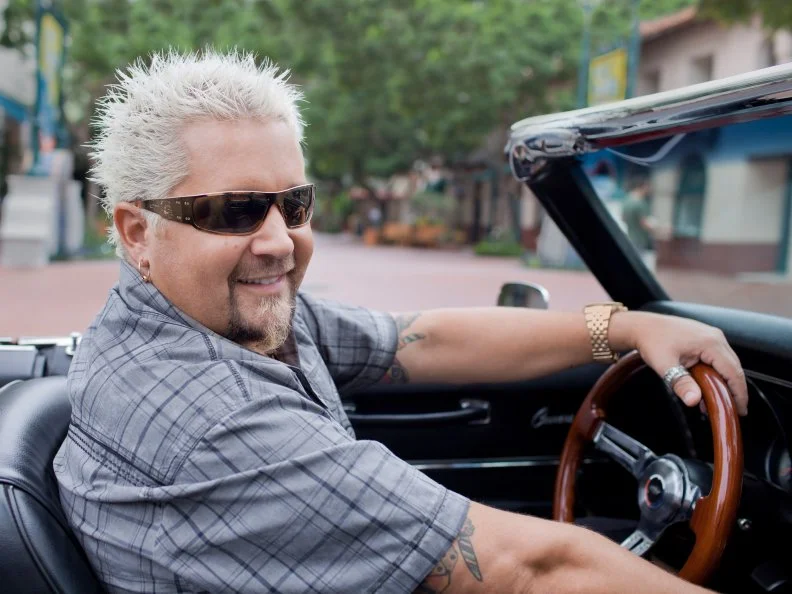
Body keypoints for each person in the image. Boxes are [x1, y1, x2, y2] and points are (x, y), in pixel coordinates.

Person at [54, 50, 748, 594]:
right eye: (235, 210)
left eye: (293, 205)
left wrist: (624, 329)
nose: (277, 240)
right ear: (137, 233)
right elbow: (528, 571)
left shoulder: (211, 318)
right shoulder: (211, 415)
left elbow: (419, 339)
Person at [622, 178, 658, 272]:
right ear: (642, 187)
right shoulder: (640, 203)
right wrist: (657, 229)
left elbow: (623, 218)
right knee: (639, 266)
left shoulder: (627, 200)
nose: (649, 190)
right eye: (648, 187)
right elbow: (644, 223)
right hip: (640, 239)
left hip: (630, 236)